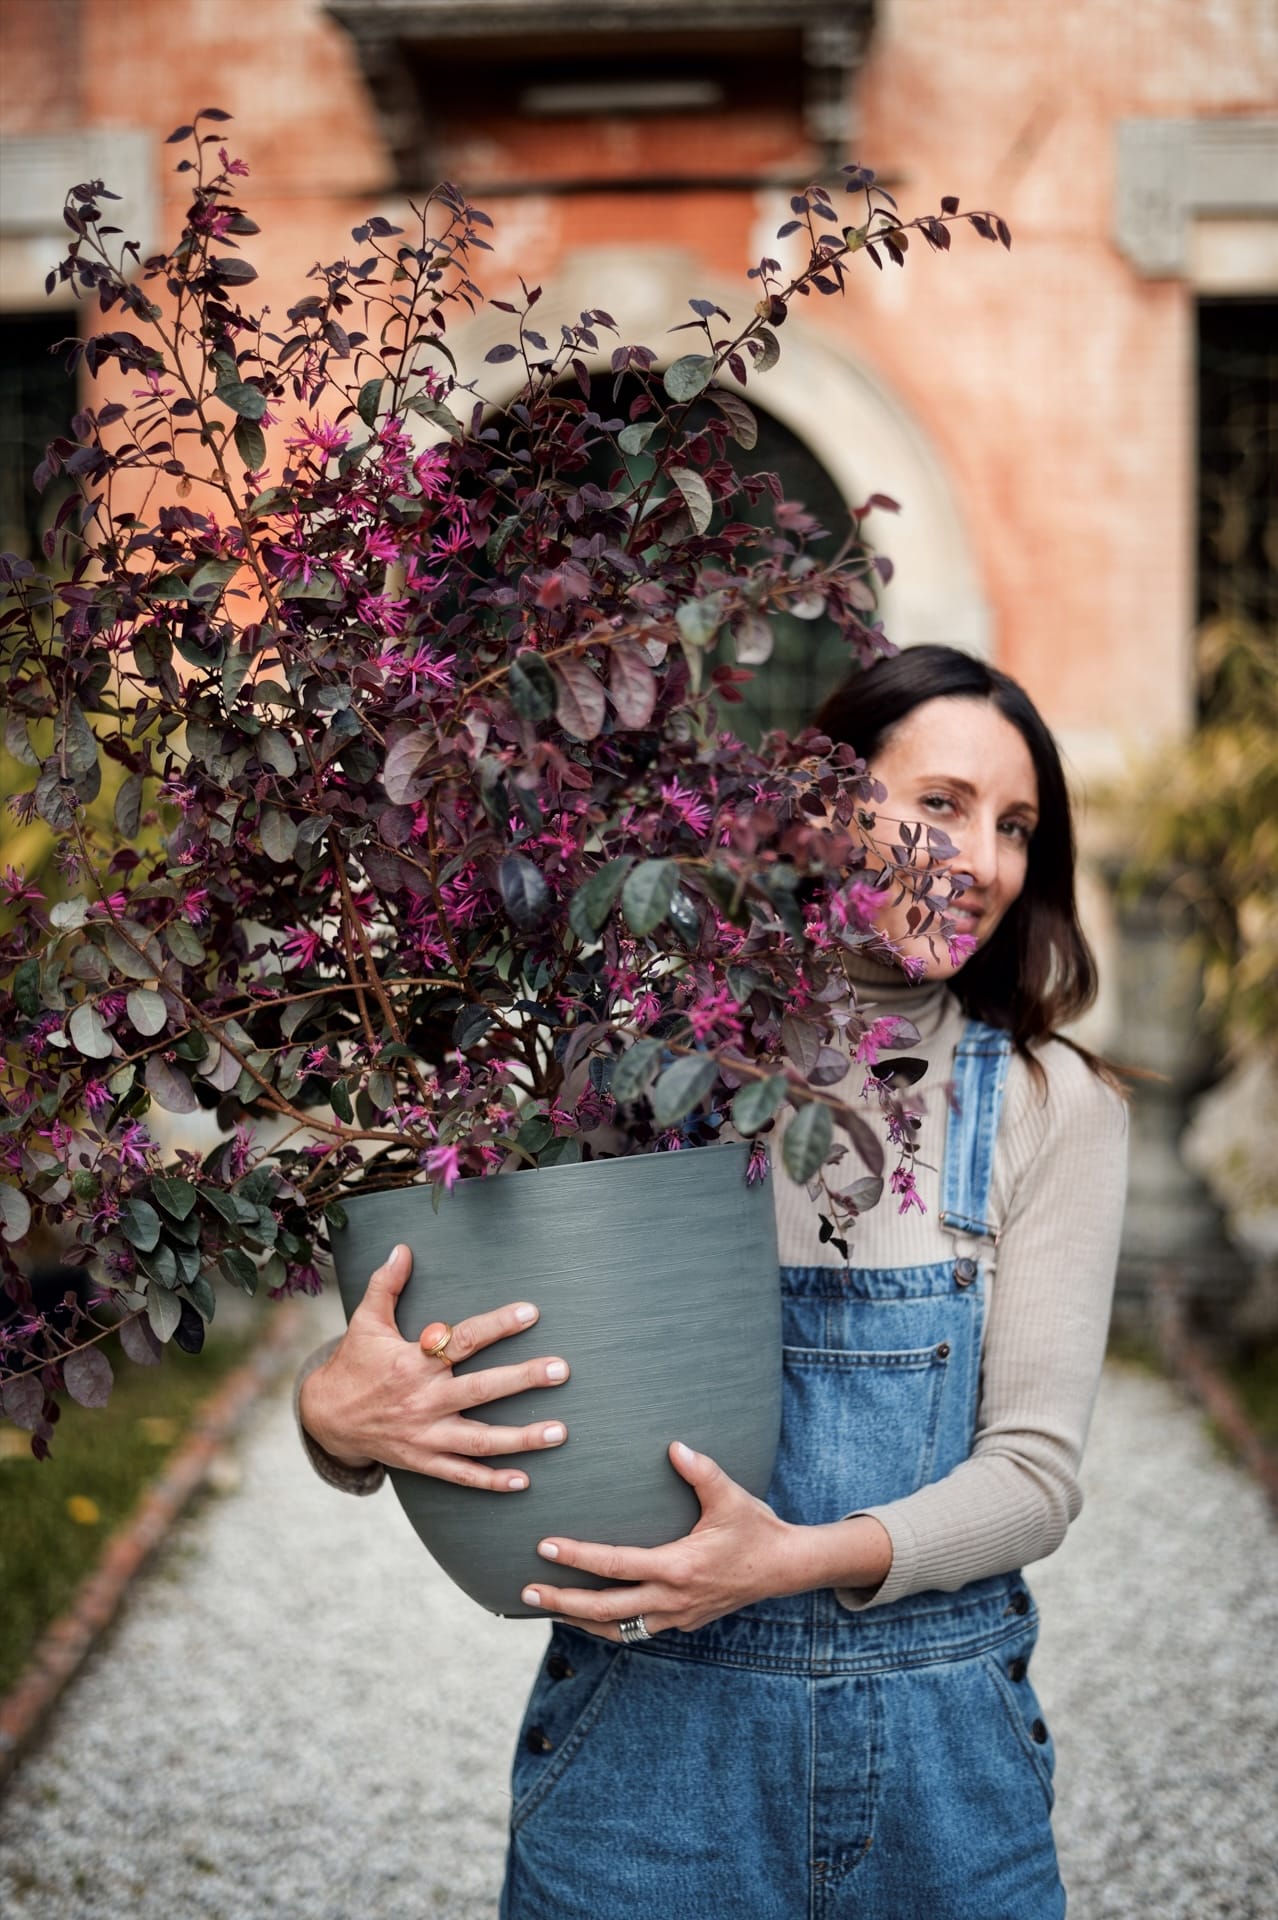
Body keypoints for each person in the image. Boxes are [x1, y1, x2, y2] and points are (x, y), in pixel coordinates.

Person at [296, 644, 1129, 1919]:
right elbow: (466, 1357)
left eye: (1017, 827)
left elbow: (1033, 1478)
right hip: (647, 1764)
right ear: (826, 809)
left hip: (944, 1781)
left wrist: (785, 1561)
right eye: (943, 806)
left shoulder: (1046, 1103)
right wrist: (335, 1424)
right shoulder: (635, 1070)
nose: (986, 862)